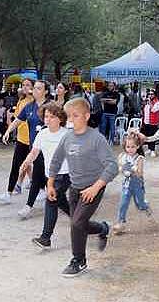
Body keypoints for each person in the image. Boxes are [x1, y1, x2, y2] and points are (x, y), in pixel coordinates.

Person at [47, 98, 118, 277]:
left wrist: (95, 188)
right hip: (75, 189)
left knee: (76, 223)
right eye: (69, 116)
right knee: (80, 223)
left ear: (86, 116)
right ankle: (102, 228)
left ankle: (79, 260)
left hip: (93, 188)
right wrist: (50, 183)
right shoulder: (67, 137)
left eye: (75, 115)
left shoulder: (96, 138)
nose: (71, 120)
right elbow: (56, 160)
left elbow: (112, 166)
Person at [20, 103, 70, 249]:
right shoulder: (42, 133)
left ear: (60, 118)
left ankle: (45, 238)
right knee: (65, 206)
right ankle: (95, 226)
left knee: (51, 200)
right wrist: (26, 162)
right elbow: (35, 152)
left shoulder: (67, 134)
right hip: (50, 176)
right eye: (46, 116)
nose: (48, 119)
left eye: (52, 117)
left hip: (64, 175)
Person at [2, 80, 51, 219]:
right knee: (42, 176)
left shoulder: (50, 107)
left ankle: (28, 206)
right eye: (34, 88)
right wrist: (7, 131)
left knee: (38, 176)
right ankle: (56, 199)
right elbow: (18, 120)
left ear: (46, 91)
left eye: (39, 88)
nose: (34, 91)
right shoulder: (29, 107)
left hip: (48, 149)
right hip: (34, 148)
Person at [0, 79, 34, 204]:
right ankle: (8, 192)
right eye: (23, 85)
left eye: (28, 85)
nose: (25, 87)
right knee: (15, 166)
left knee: (38, 167)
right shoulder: (21, 101)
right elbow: (17, 120)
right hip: (22, 139)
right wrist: (8, 130)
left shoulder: (36, 103)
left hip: (34, 141)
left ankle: (42, 190)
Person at [112, 135, 152, 235]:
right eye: (128, 147)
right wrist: (121, 169)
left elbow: (140, 173)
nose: (130, 149)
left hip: (137, 184)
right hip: (127, 184)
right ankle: (121, 222)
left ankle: (146, 206)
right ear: (125, 147)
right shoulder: (122, 156)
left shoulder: (139, 158)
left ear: (137, 146)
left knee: (140, 204)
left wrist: (132, 169)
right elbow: (119, 168)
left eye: (133, 147)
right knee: (123, 202)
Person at [141, 90, 159, 157]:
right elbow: (144, 111)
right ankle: (149, 149)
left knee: (152, 136)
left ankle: (153, 150)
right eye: (149, 94)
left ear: (154, 95)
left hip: (153, 122)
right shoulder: (147, 102)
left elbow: (153, 109)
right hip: (146, 122)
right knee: (147, 135)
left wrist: (150, 103)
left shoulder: (157, 102)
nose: (150, 95)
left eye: (152, 94)